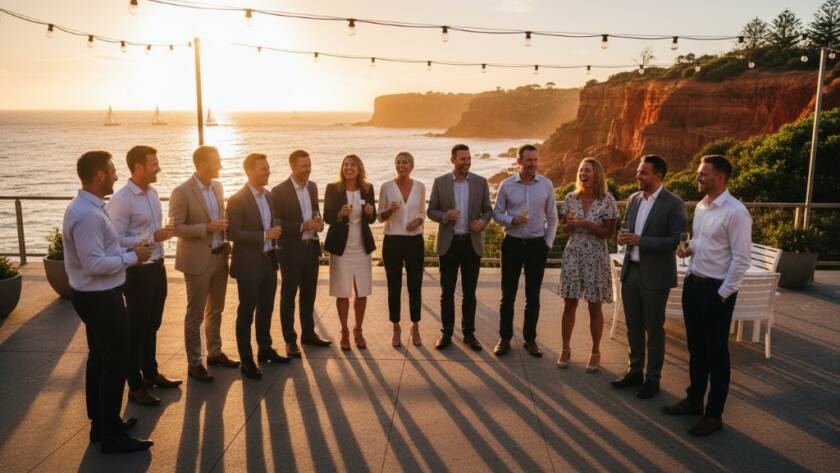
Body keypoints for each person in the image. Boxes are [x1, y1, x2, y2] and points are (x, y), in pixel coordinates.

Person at [63, 150, 153, 453]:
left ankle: (102, 423)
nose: (116, 175)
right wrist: (133, 257)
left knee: (100, 358)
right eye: (112, 170)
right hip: (100, 298)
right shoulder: (87, 214)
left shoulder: (88, 207)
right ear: (99, 175)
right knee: (115, 362)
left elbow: (103, 249)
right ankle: (110, 434)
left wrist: (128, 250)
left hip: (96, 297)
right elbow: (95, 264)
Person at [663, 155, 751, 437]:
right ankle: (693, 400)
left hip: (717, 292)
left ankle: (714, 415)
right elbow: (704, 241)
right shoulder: (702, 206)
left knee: (717, 354)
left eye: (703, 174)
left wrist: (722, 295)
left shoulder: (736, 212)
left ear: (720, 178)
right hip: (694, 285)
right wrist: (689, 247)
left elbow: (741, 260)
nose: (698, 178)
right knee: (696, 347)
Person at [107, 145, 181, 406]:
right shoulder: (121, 200)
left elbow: (151, 230)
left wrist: (161, 234)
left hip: (157, 267)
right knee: (136, 329)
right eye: (154, 164)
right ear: (138, 167)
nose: (158, 167)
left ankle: (150, 374)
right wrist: (151, 236)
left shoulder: (153, 194)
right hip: (137, 273)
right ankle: (135, 386)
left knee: (152, 324)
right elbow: (113, 239)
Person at [612, 155, 687, 399]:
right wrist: (623, 238)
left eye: (643, 172)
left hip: (656, 276)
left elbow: (676, 240)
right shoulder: (633, 199)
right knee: (633, 327)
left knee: (653, 329)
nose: (638, 176)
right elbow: (627, 229)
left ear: (658, 176)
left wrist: (641, 241)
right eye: (638, 171)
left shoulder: (674, 203)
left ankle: (653, 379)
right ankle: (634, 371)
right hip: (631, 271)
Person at [169, 145, 240, 382]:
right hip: (197, 261)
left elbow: (220, 218)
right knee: (195, 313)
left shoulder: (218, 187)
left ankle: (215, 352)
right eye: (216, 161)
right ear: (202, 164)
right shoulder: (182, 191)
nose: (220, 165)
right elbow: (175, 228)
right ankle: (194, 363)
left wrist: (226, 227)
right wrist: (206, 228)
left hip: (220, 257)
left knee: (216, 309)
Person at [226, 153, 290, 380]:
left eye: (268, 168)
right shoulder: (236, 199)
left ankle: (265, 349)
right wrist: (265, 234)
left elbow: (273, 222)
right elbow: (232, 233)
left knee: (266, 309)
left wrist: (275, 231)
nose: (268, 172)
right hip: (248, 265)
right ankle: (247, 361)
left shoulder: (269, 196)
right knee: (246, 314)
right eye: (263, 169)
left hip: (269, 261)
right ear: (250, 171)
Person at [491, 144, 558, 357]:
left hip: (537, 245)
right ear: (519, 162)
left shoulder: (546, 185)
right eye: (529, 160)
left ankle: (530, 340)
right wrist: (512, 220)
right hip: (512, 244)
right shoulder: (506, 185)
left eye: (536, 160)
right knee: (507, 295)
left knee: (533, 296)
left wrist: (547, 242)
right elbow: (496, 213)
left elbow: (553, 217)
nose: (533, 164)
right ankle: (504, 338)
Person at [427, 143, 493, 351]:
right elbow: (431, 211)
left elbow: (488, 210)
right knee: (446, 292)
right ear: (453, 160)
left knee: (469, 293)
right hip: (449, 244)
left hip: (471, 244)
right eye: (462, 158)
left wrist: (483, 222)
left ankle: (469, 334)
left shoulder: (481, 183)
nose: (467, 162)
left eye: (468, 158)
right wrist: (445, 216)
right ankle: (446, 333)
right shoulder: (440, 182)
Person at [557, 158, 618, 372]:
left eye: (588, 170)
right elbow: (565, 228)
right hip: (573, 254)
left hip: (596, 255)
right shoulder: (570, 198)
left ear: (597, 174)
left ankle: (595, 352)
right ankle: (565, 349)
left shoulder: (607, 200)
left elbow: (609, 234)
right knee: (569, 304)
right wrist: (569, 224)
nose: (583, 173)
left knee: (594, 306)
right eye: (581, 170)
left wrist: (586, 224)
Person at [270, 149, 331, 357]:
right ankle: (289, 340)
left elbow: (315, 212)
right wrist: (301, 226)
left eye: (309, 165)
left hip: (311, 249)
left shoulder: (313, 187)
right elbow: (275, 223)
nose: (308, 169)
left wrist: (319, 224)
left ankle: (308, 333)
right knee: (288, 296)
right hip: (290, 251)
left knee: (309, 294)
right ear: (293, 167)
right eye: (304, 166)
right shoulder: (278, 191)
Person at [324, 154, 377, 350]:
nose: (348, 168)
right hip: (341, 248)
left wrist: (371, 212)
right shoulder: (333, 188)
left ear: (359, 168)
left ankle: (358, 330)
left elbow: (372, 218)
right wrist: (339, 214)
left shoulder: (367, 188)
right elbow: (327, 217)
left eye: (352, 165)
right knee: (342, 292)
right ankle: (344, 332)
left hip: (362, 248)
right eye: (345, 164)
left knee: (361, 291)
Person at [378, 152, 426, 347]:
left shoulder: (421, 187)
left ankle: (415, 326)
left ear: (412, 165)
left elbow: (423, 211)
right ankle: (396, 327)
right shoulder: (386, 187)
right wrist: (389, 211)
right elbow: (380, 217)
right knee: (394, 286)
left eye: (405, 162)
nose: (401, 165)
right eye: (398, 162)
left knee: (415, 286)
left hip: (415, 241)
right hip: (392, 241)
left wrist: (419, 220)